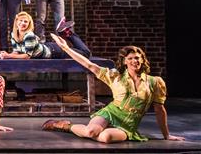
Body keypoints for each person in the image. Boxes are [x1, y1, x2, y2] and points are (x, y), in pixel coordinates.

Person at [42, 42, 184, 143]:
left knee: (106, 137)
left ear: (142, 59)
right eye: (130, 58)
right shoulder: (115, 76)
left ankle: (100, 130)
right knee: (91, 132)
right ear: (125, 62)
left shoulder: (155, 82)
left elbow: (160, 110)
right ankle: (65, 126)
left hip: (128, 123)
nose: (134, 61)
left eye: (137, 57)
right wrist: (66, 48)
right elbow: (90, 65)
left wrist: (166, 135)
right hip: (110, 113)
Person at [0, 12, 90, 60]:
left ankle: (69, 33)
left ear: (28, 24)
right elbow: (16, 52)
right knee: (79, 51)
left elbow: (27, 56)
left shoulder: (29, 35)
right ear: (16, 22)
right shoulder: (14, 35)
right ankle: (66, 32)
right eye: (21, 20)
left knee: (86, 53)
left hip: (55, 52)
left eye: (25, 21)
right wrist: (7, 55)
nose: (23, 23)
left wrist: (9, 56)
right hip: (47, 47)